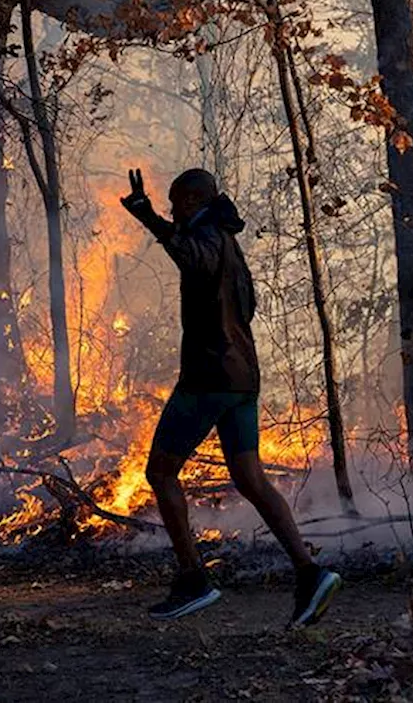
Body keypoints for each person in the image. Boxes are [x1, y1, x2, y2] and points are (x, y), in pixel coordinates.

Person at [120, 168, 341, 625]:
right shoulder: (228, 239)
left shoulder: (208, 236)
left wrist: (150, 220)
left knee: (160, 472)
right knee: (250, 477)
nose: (172, 209)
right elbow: (245, 304)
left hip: (209, 378)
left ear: (197, 198)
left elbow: (192, 259)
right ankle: (309, 573)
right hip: (242, 378)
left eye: (177, 201)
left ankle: (192, 580)